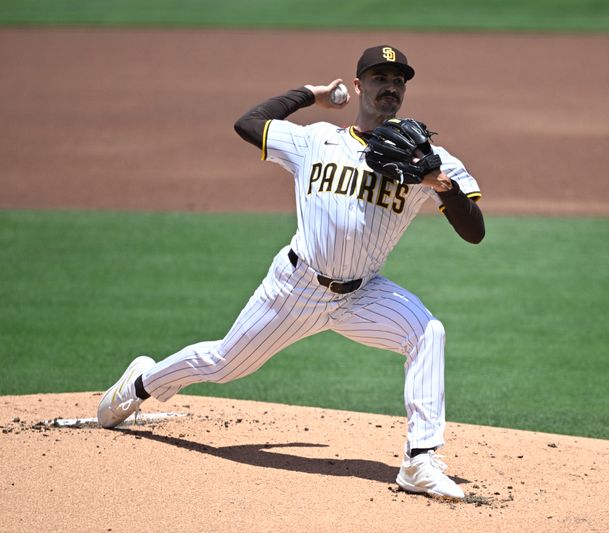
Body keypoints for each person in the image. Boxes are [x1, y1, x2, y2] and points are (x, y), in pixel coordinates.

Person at [97, 45, 484, 499]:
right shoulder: (315, 140)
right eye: (379, 77)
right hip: (295, 289)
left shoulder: (430, 161)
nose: (390, 87)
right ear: (359, 85)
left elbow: (473, 231)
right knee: (222, 364)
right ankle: (141, 383)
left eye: (398, 80)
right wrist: (310, 94)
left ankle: (420, 461)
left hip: (361, 295)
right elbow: (247, 125)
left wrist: (440, 184)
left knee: (427, 332)